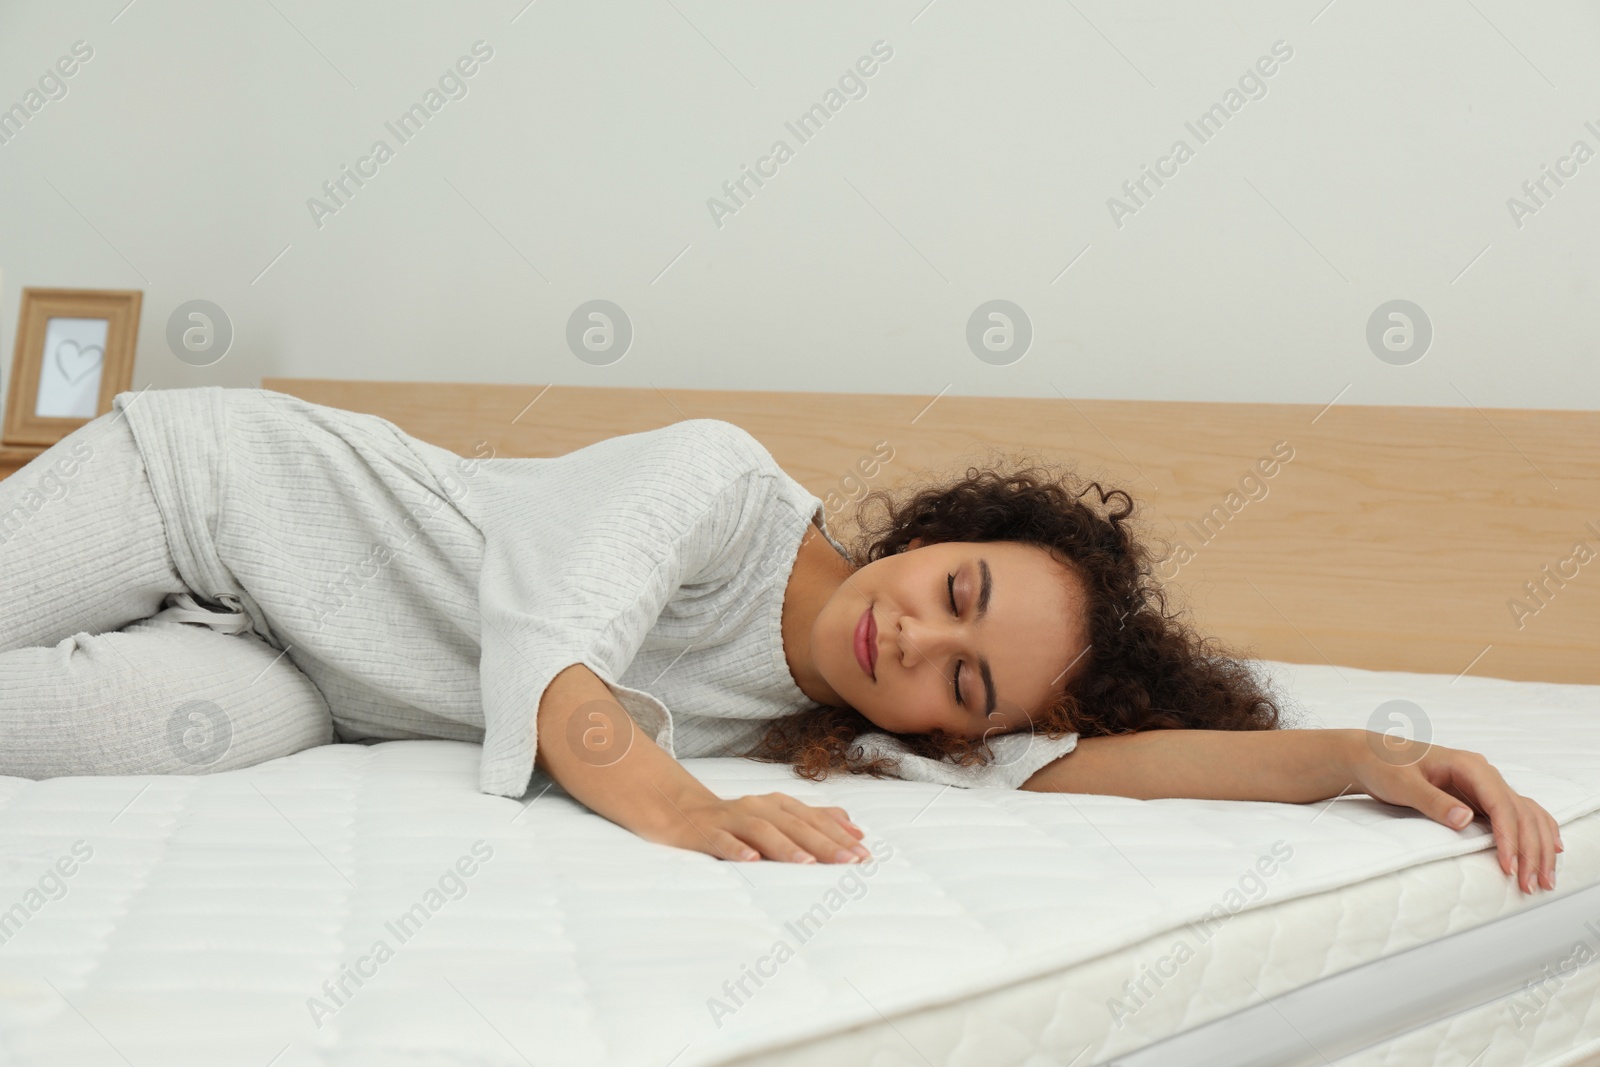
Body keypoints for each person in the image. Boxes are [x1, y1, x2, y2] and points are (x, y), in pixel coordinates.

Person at [0, 387, 1560, 893]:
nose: (921, 642)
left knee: (64, 734)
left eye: (970, 685)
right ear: (932, 532)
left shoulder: (857, 724)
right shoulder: (720, 487)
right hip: (210, 501)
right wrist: (688, 812)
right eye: (955, 591)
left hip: (298, 684)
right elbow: (561, 649)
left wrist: (1367, 754)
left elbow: (1102, 766)